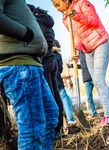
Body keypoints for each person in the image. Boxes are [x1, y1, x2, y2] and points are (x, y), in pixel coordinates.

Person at [0, 0, 59, 149]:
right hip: (18, 65)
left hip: (32, 64)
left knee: (50, 116)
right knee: (32, 127)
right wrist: (25, 33)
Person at [52, 0, 109, 126]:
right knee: (95, 81)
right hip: (88, 50)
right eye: (55, 6)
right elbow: (76, 36)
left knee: (99, 80)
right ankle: (108, 114)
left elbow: (93, 21)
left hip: (100, 43)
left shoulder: (83, 4)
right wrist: (76, 51)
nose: (57, 9)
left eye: (58, 4)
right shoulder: (65, 19)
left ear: (66, 1)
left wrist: (74, 14)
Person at [28, 4, 64, 138]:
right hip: (51, 59)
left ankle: (53, 130)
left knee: (48, 98)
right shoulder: (47, 21)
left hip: (43, 61)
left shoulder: (35, 22)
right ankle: (59, 127)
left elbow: (37, 43)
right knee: (56, 95)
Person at [53, 39, 76, 125]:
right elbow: (60, 69)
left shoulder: (45, 54)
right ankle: (70, 119)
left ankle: (59, 122)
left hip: (48, 80)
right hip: (58, 79)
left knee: (54, 100)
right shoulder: (58, 55)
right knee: (64, 97)